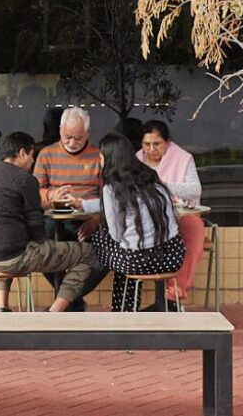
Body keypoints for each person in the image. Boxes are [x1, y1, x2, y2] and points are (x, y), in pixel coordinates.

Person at [0, 131, 93, 311]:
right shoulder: (25, 179)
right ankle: (55, 311)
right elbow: (37, 230)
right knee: (87, 253)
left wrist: (45, 204)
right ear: (23, 153)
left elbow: (6, 209)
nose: (33, 162)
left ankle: (3, 307)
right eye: (32, 156)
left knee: (6, 239)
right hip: (13, 257)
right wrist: (42, 241)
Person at [77, 132, 184, 312]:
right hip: (173, 255)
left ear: (109, 158)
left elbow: (116, 235)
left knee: (100, 240)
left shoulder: (111, 189)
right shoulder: (151, 177)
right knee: (124, 254)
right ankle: (148, 306)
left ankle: (78, 295)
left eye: (101, 157)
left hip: (138, 261)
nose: (100, 161)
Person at [35, 106, 106, 309]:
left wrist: (97, 218)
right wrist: (50, 195)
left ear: (88, 134)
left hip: (89, 220)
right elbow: (35, 193)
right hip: (55, 219)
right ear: (60, 131)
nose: (72, 143)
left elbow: (109, 196)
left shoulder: (98, 156)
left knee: (106, 256)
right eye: (67, 137)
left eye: (78, 138)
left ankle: (65, 301)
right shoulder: (46, 155)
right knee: (40, 250)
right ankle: (69, 303)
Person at [141, 120, 204, 308]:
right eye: (146, 144)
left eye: (157, 144)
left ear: (167, 143)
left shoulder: (183, 158)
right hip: (147, 219)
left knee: (195, 231)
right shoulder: (136, 160)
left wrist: (164, 185)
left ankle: (172, 296)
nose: (151, 149)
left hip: (180, 217)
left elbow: (195, 190)